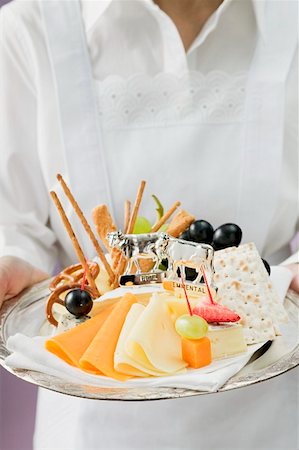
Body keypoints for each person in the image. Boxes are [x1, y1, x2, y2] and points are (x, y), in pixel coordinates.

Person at [0, 0, 298, 449]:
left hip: (267, 416)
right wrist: (11, 258)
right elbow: (13, 217)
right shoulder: (29, 27)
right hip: (88, 422)